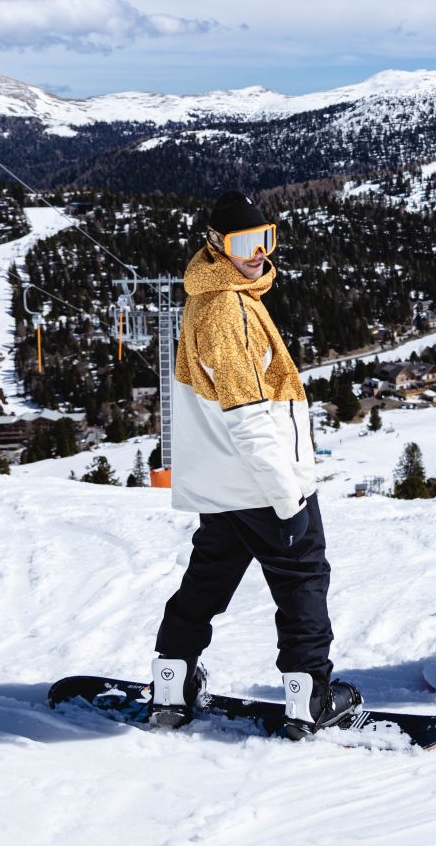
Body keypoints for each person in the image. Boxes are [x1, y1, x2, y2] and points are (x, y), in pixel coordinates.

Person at [149, 191, 358, 736]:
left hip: (223, 483)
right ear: (216, 244)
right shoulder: (228, 310)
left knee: (207, 581)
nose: (259, 253)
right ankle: (309, 698)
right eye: (244, 243)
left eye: (265, 238)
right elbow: (247, 416)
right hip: (259, 481)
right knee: (301, 579)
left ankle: (171, 683)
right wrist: (288, 496)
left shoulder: (208, 295)